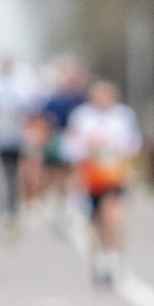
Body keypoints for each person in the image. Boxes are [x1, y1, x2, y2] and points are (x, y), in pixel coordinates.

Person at [64, 80, 142, 284]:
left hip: (114, 177)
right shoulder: (82, 117)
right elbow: (73, 148)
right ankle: (99, 259)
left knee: (113, 217)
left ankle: (114, 258)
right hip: (90, 178)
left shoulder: (123, 116)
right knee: (95, 224)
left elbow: (133, 146)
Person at [0, 55, 40, 232]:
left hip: (16, 137)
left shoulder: (20, 84)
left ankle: (13, 207)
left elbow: (29, 106)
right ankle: (3, 208)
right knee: (0, 173)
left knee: (15, 173)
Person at [37, 59, 90, 223]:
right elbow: (46, 117)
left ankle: (71, 202)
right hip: (59, 138)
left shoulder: (82, 97)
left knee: (73, 171)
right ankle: (58, 200)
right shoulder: (56, 98)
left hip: (77, 139)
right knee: (56, 172)